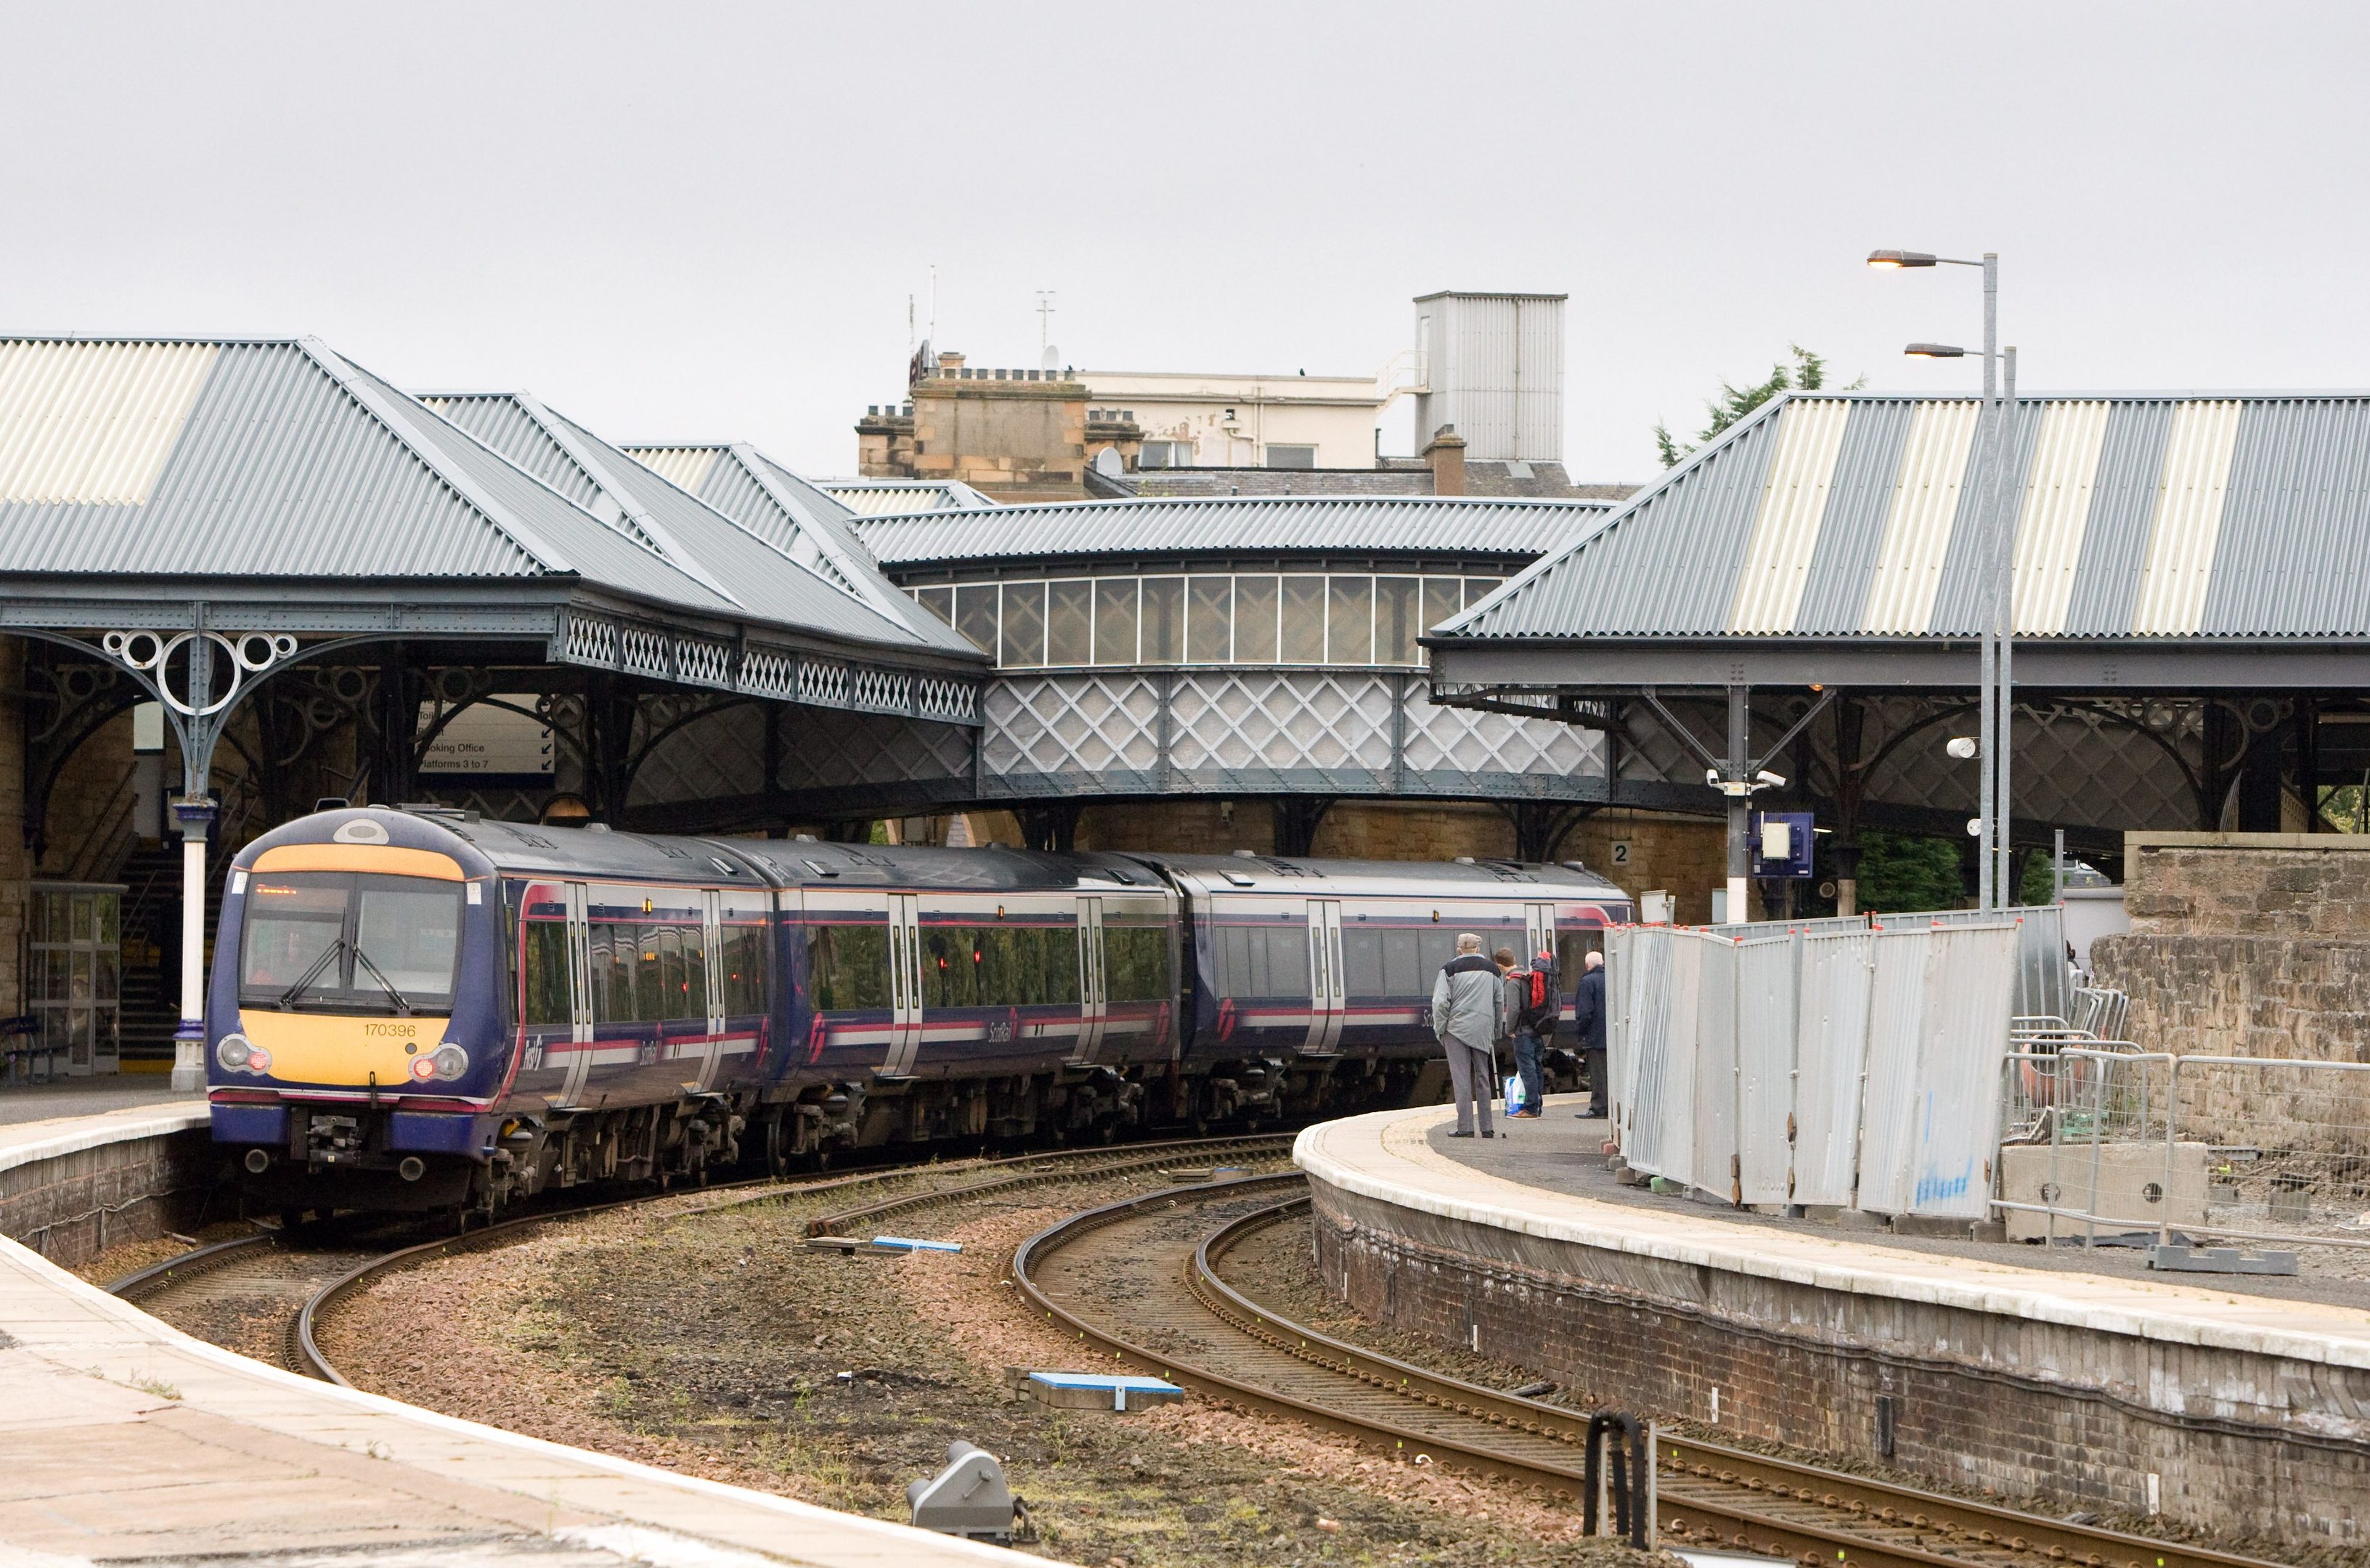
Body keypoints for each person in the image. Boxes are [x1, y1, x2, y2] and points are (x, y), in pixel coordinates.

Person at [1431, 933, 1506, 1138]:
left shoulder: (1449, 969)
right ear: (1478, 949)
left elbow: (1440, 1002)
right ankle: (1487, 1127)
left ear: (1459, 949)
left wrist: (1440, 1028)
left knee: (1461, 1078)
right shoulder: (1493, 970)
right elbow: (1499, 1002)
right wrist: (1496, 1030)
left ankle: (1465, 1127)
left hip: (1455, 1030)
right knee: (1483, 1077)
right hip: (1483, 1029)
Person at [1508, 947, 1558, 1118]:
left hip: (1523, 1033)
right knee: (1536, 1068)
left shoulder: (1514, 981)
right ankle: (1537, 1106)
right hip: (1537, 1030)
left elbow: (1513, 1009)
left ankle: (1530, 1108)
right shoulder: (1529, 978)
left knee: (1527, 1070)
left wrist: (1509, 1029)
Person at [1573, 949, 1608, 1119]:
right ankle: (1611, 1105)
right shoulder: (1612, 977)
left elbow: (1585, 1013)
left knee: (1598, 1073)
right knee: (1610, 1073)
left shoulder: (1587, 982)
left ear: (1587, 965)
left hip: (1596, 1036)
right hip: (1613, 1034)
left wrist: (1581, 1033)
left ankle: (1599, 1107)